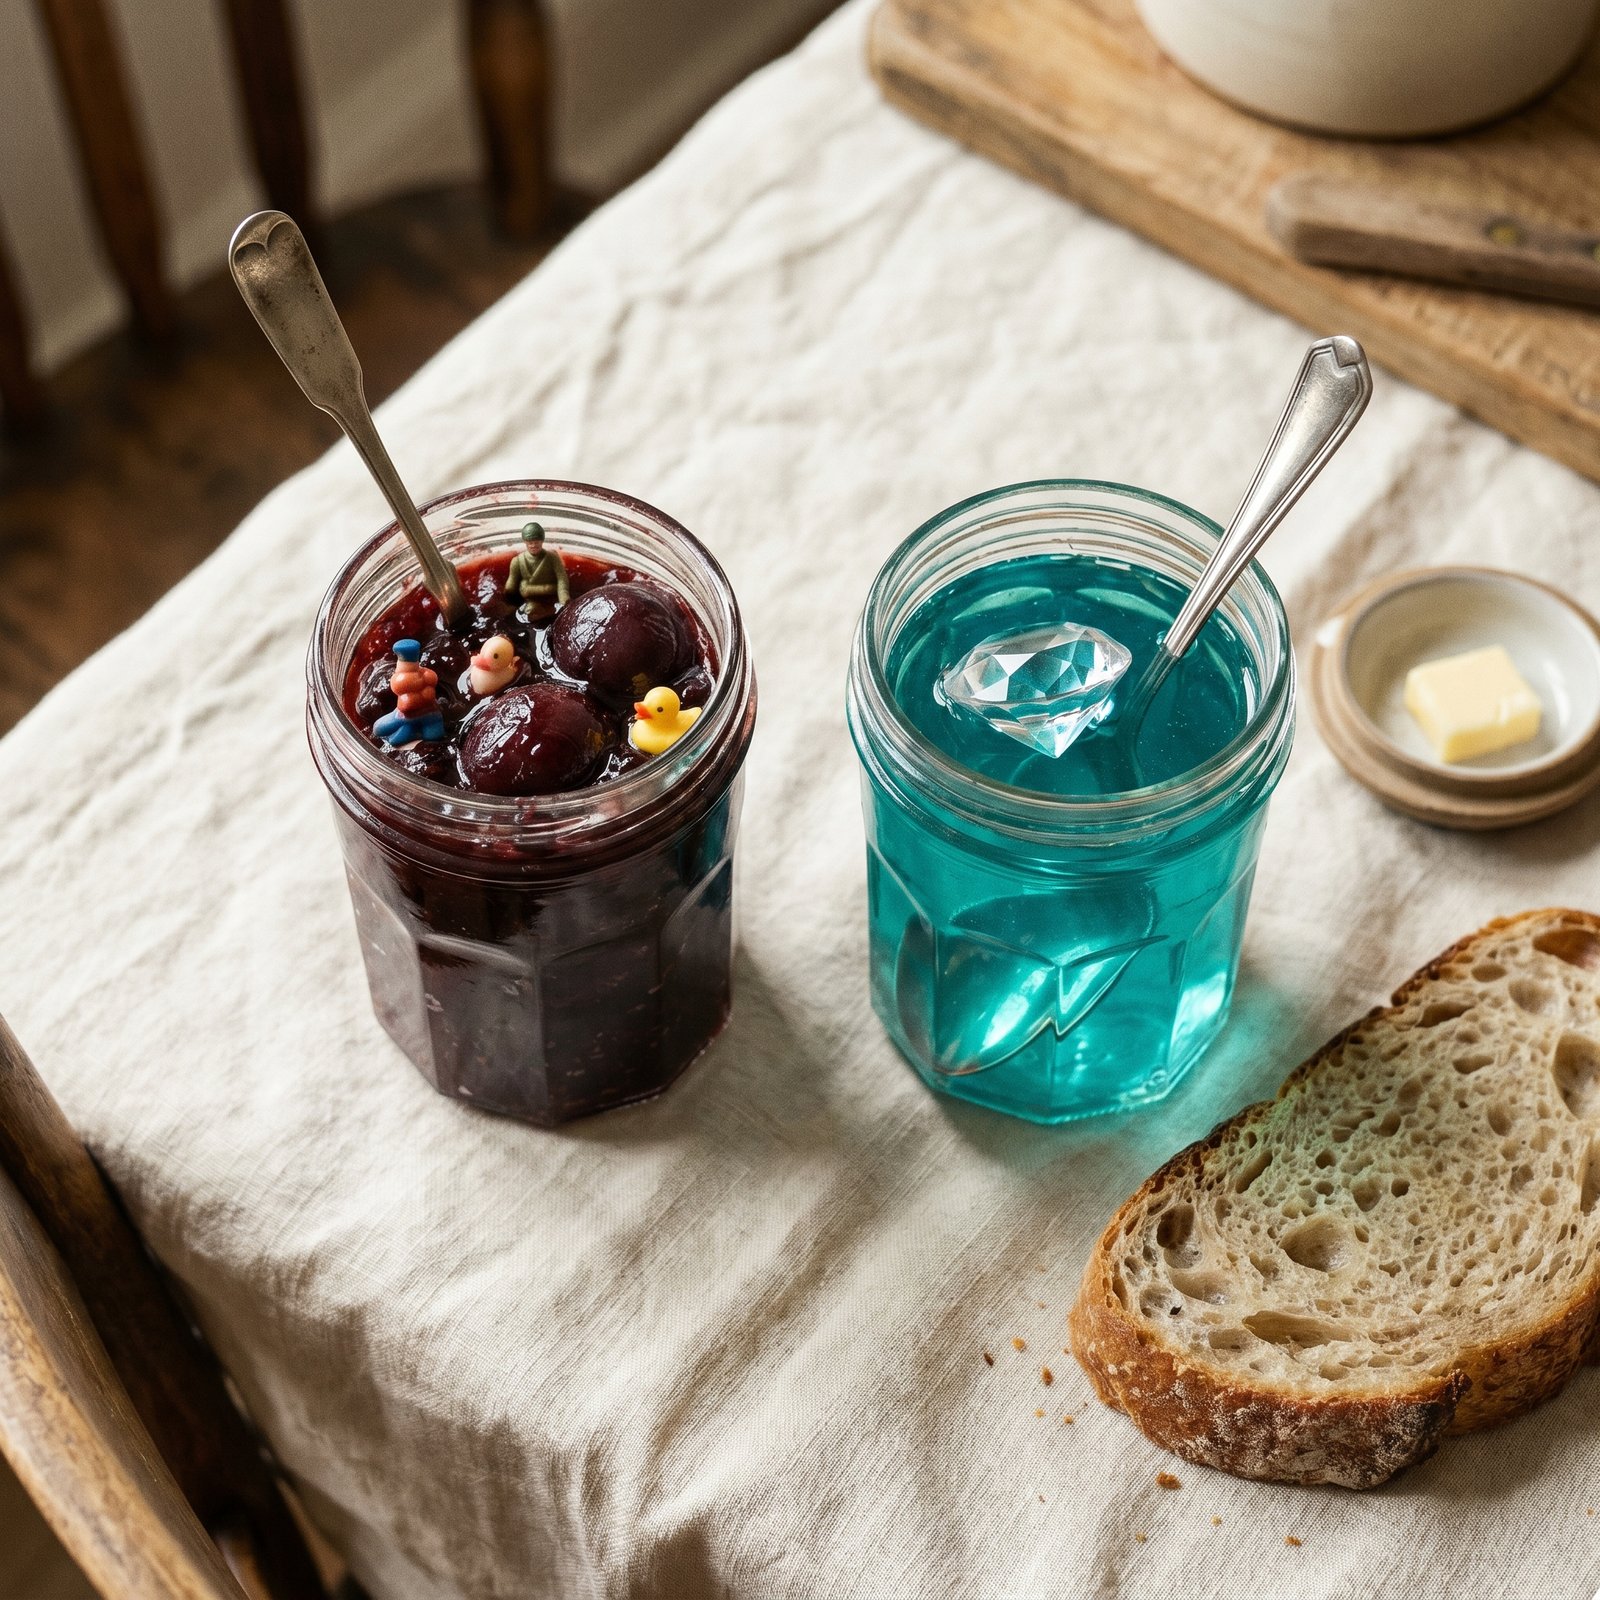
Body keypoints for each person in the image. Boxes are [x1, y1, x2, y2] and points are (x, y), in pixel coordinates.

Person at [505, 520, 570, 609]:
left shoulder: (552, 557)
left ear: (542, 541)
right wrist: (507, 599)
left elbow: (562, 579)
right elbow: (511, 586)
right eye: (530, 543)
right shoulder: (517, 561)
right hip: (527, 602)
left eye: (536, 542)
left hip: (551, 600)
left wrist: (564, 601)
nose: (533, 546)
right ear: (525, 542)